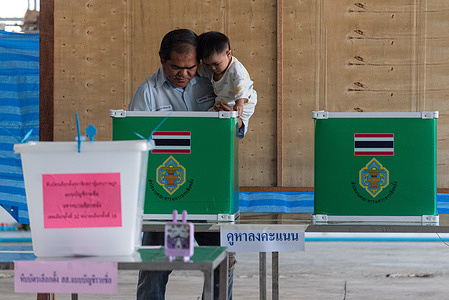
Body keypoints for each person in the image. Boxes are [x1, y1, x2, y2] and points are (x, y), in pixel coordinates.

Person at [129, 29, 243, 300]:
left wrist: (235, 120)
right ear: (161, 59)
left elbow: (242, 111)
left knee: (222, 261)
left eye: (191, 67)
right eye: (176, 67)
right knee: (156, 266)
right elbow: (134, 144)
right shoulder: (147, 94)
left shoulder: (213, 81)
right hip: (166, 196)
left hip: (208, 194)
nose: (184, 74)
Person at [197, 31, 257, 137]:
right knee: (207, 117)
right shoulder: (211, 68)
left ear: (228, 54)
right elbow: (198, 69)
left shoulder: (236, 69)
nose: (212, 68)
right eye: (207, 65)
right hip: (226, 100)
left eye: (216, 64)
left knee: (215, 120)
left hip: (243, 102)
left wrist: (239, 103)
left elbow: (242, 86)